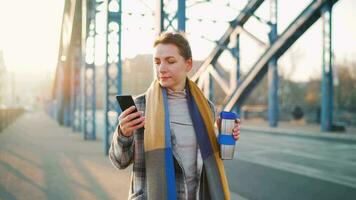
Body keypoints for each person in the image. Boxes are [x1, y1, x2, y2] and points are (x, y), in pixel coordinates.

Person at [109, 32, 240, 200]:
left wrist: (225, 136)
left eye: (170, 61)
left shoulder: (206, 108)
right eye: (157, 62)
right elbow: (119, 161)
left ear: (188, 64)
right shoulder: (140, 105)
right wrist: (123, 133)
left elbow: (211, 161)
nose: (161, 68)